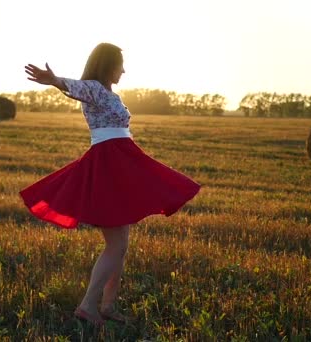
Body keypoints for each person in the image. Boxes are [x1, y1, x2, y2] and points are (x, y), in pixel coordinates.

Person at [19, 42, 201, 326]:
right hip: (109, 166)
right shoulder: (92, 88)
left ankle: (107, 305)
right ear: (107, 65)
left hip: (121, 163)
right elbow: (74, 88)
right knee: (115, 246)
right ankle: (88, 306)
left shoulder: (107, 93)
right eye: (120, 65)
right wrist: (55, 81)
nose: (124, 71)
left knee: (121, 245)